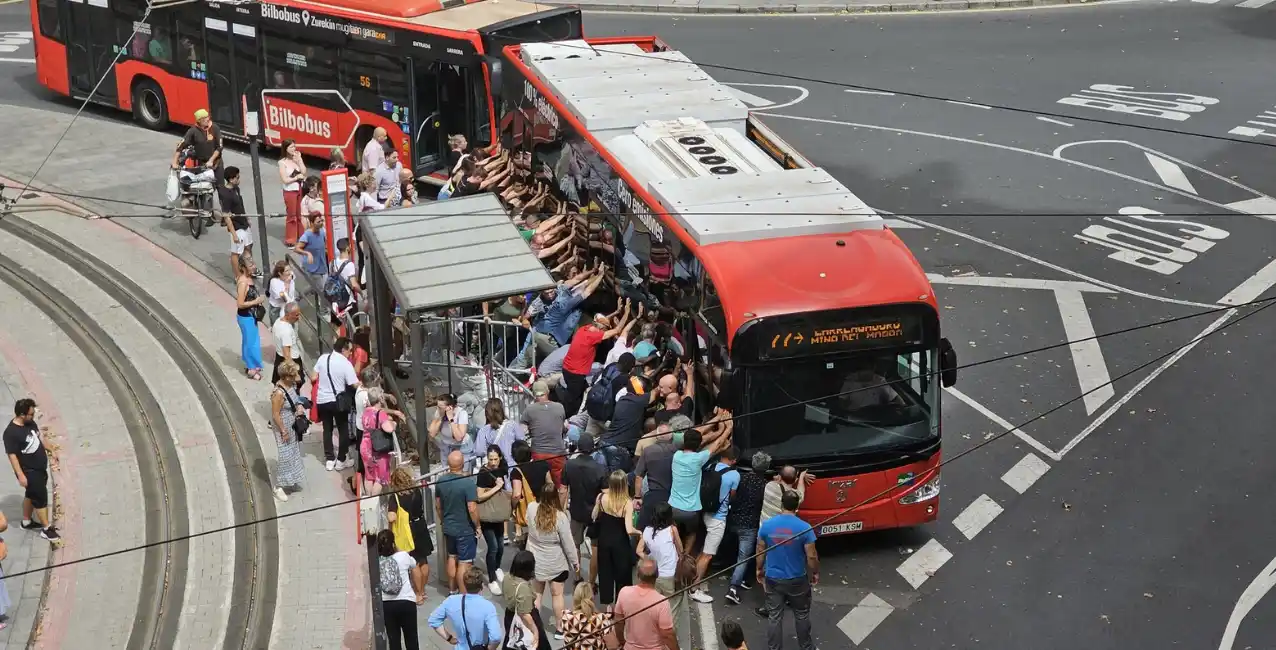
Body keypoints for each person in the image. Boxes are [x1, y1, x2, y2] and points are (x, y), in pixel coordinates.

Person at [757, 490, 818, 650]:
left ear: (781, 504)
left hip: (773, 578)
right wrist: (815, 572)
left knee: (774, 615)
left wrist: (759, 569)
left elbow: (760, 551)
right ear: (797, 506)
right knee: (801, 614)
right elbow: (811, 556)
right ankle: (806, 647)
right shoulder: (805, 527)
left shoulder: (767, 526)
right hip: (797, 579)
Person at [526, 481, 579, 639]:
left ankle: (534, 626)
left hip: (536, 560)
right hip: (556, 562)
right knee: (557, 595)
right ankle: (559, 629)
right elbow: (568, 543)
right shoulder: (560, 517)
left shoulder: (531, 508)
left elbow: (527, 524)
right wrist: (575, 562)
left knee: (537, 594)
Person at [688, 445, 740, 604]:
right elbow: (732, 496)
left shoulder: (710, 467)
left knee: (701, 550)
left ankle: (690, 581)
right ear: (734, 460)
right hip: (718, 517)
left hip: (703, 511)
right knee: (708, 554)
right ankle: (694, 589)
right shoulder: (734, 474)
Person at [559, 303, 631, 417]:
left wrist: (616, 312)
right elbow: (617, 330)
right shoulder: (593, 337)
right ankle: (565, 417)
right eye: (605, 329)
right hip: (575, 374)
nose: (604, 331)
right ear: (600, 328)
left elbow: (601, 321)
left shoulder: (584, 329)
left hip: (567, 369)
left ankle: (575, 412)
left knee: (582, 391)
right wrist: (626, 313)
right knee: (572, 401)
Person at [3, 399, 58, 541]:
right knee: (40, 499)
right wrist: (21, 475)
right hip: (29, 472)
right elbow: (12, 456)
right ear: (22, 415)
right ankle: (46, 529)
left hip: (39, 469)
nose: (33, 416)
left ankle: (26, 522)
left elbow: (39, 438)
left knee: (30, 494)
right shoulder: (11, 433)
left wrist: (50, 449)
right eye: (31, 414)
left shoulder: (30, 423)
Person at [726, 451, 772, 606]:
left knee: (738, 552)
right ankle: (733, 589)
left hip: (733, 520)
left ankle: (742, 579)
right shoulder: (765, 486)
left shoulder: (741, 478)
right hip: (749, 526)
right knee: (743, 557)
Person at [636, 503, 685, 646]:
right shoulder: (672, 530)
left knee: (656, 607)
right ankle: (669, 640)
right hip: (671, 575)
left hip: (656, 576)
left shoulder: (647, 531)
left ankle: (655, 637)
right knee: (673, 608)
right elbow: (681, 550)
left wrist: (650, 560)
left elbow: (639, 550)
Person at [563, 433, 606, 581]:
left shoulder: (569, 465)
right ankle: (592, 582)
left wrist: (561, 509)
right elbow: (606, 493)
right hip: (595, 513)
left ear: (579, 447)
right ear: (593, 448)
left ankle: (577, 577)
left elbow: (563, 490)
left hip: (576, 511)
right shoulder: (600, 468)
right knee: (595, 548)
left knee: (575, 545)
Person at [435, 450, 480, 594]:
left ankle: (452, 590)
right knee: (464, 562)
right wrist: (478, 525)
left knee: (452, 556)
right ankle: (463, 593)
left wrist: (443, 521)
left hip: (449, 527)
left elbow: (438, 506)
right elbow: (472, 508)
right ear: (462, 464)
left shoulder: (440, 481)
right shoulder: (468, 483)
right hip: (465, 529)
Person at [428, 566, 503, 650]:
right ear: (482, 585)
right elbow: (496, 637)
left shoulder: (451, 601)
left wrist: (449, 638)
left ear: (464, 584)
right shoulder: (488, 606)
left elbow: (433, 620)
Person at [593, 469, 637, 610]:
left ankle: (608, 605)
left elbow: (595, 516)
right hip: (620, 542)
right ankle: (621, 604)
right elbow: (629, 529)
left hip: (604, 539)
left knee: (605, 572)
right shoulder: (627, 503)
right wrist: (640, 532)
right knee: (622, 574)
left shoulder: (601, 497)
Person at [313, 337, 359, 471]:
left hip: (322, 400)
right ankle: (341, 460)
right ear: (343, 349)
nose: (350, 353)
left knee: (327, 429)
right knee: (343, 429)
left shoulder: (323, 358)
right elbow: (354, 384)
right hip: (338, 402)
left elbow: (313, 376)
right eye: (350, 350)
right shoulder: (346, 364)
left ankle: (329, 459)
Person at [614, 558, 679, 650]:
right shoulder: (662, 602)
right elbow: (667, 634)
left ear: (637, 575)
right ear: (657, 575)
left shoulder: (624, 592)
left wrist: (622, 642)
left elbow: (618, 622)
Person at [387, 466, 433, 594]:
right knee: (423, 560)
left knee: (414, 563)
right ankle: (423, 590)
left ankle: (418, 593)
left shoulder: (395, 497)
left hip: (408, 530)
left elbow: (391, 517)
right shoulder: (416, 491)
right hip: (421, 525)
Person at [378, 529, 424, 650]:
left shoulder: (377, 561)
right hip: (406, 602)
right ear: (393, 543)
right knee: (411, 639)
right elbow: (415, 568)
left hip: (386, 604)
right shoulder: (403, 556)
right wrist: (419, 593)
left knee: (393, 640)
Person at [268, 360, 307, 501]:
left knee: (293, 452)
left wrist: (299, 407)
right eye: (293, 374)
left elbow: (295, 399)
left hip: (291, 425)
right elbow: (275, 414)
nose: (296, 376)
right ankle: (278, 487)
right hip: (283, 427)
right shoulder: (278, 393)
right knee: (285, 455)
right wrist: (283, 431)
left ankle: (291, 479)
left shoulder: (291, 385)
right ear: (286, 376)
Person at [474, 446, 509, 595]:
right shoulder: (483, 473)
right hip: (487, 515)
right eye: (490, 459)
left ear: (500, 458)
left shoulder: (501, 469)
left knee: (500, 545)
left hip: (498, 513)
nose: (493, 462)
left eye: (495, 459)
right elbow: (479, 496)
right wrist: (497, 487)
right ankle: (492, 579)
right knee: (493, 547)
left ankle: (497, 567)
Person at [520, 380, 567, 489]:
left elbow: (522, 432)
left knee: (541, 486)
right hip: (558, 453)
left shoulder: (529, 410)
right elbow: (564, 426)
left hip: (539, 453)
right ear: (547, 392)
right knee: (560, 486)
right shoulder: (560, 407)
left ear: (534, 394)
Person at [502, 550, 550, 650]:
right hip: (525, 617)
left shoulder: (507, 577)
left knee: (512, 639)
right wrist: (535, 631)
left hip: (510, 615)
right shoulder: (523, 588)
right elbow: (524, 614)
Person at [634, 421, 676, 531]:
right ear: (671, 436)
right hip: (672, 497)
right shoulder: (677, 452)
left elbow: (639, 476)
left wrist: (637, 497)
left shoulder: (648, 451)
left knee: (642, 529)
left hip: (653, 496)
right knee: (668, 530)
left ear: (657, 436)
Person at [509, 441, 550, 546]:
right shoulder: (543, 464)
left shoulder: (516, 472)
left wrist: (513, 507)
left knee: (532, 538)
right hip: (545, 505)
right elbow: (550, 484)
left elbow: (517, 494)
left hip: (529, 508)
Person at [218, 166, 255, 279]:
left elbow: (241, 205)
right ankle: (238, 276)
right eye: (237, 177)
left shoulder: (236, 189)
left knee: (248, 246)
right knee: (236, 252)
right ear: (231, 179)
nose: (239, 179)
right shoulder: (226, 195)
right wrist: (234, 234)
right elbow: (226, 216)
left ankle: (249, 268)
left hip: (243, 222)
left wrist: (247, 218)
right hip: (236, 226)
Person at [472, 398, 523, 478]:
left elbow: (479, 451)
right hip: (512, 466)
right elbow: (522, 444)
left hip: (494, 468)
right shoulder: (513, 425)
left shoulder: (484, 430)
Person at [234, 256, 265, 381]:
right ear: (243, 267)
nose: (254, 267)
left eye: (253, 264)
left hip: (251, 316)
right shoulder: (243, 283)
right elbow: (240, 304)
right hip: (246, 317)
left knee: (252, 341)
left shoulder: (249, 278)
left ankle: (252, 364)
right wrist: (255, 301)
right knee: (251, 343)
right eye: (250, 266)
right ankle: (251, 368)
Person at [170, 108, 223, 179]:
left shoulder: (215, 128)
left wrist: (211, 160)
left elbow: (220, 147)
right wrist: (174, 162)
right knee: (203, 184)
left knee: (219, 184)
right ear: (199, 121)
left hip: (216, 162)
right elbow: (181, 146)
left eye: (207, 117)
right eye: (204, 118)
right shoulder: (193, 131)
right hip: (202, 164)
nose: (207, 119)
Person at [560, 582, 611, 650]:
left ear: (575, 597)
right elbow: (611, 644)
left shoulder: (565, 616)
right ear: (592, 597)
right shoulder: (600, 618)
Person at [429, 394, 472, 470]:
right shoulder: (439, 412)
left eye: (440, 407)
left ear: (450, 407)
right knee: (446, 472)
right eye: (437, 406)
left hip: (461, 447)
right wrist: (441, 418)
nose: (438, 409)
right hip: (446, 447)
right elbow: (432, 434)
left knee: (461, 473)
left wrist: (451, 419)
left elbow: (459, 437)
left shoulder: (461, 413)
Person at [278, 139, 306, 245]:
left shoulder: (296, 159)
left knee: (299, 214)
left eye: (294, 146)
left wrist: (300, 160)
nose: (294, 149)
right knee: (292, 215)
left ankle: (301, 236)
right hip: (290, 191)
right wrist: (296, 178)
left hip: (299, 189)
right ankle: (290, 239)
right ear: (286, 149)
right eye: (291, 147)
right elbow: (284, 179)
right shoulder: (282, 162)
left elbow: (304, 171)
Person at [270, 302, 304, 388]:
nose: (298, 317)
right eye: (296, 315)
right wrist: (296, 374)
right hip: (291, 362)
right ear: (288, 315)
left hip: (279, 358)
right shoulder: (286, 331)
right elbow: (287, 355)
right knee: (292, 388)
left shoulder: (278, 321)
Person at [295, 214, 328, 281]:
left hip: (322, 266)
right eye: (318, 222)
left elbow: (324, 244)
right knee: (320, 286)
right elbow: (297, 248)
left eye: (322, 221)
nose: (321, 223)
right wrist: (307, 253)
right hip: (312, 269)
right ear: (312, 223)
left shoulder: (322, 232)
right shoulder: (307, 235)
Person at [266, 260, 297, 324]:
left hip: (289, 308)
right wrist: (287, 284)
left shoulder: (290, 275)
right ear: (280, 273)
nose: (289, 272)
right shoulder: (274, 282)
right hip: (277, 310)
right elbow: (284, 298)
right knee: (278, 328)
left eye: (289, 269)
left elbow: (293, 275)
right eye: (286, 271)